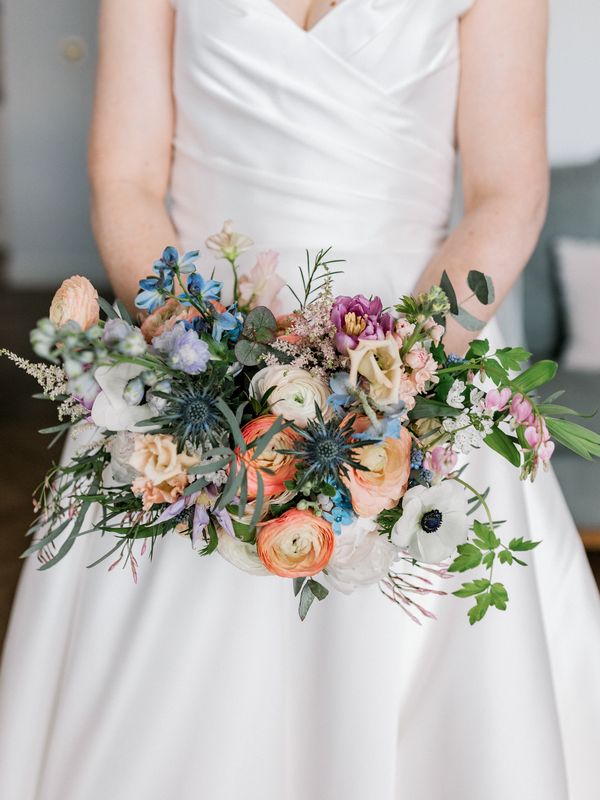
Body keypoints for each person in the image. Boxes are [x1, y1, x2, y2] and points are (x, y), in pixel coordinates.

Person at [1, 1, 599, 798]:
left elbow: (505, 193)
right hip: (197, 342)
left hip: (414, 350)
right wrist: (201, 365)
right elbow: (126, 177)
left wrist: (406, 374)